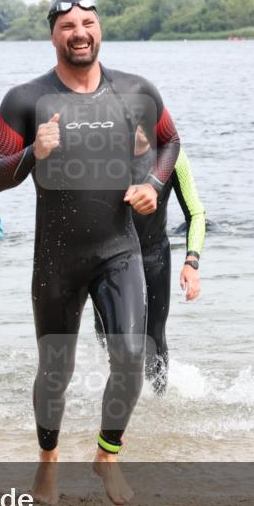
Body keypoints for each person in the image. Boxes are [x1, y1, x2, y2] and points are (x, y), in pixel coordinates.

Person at [0, 0, 180, 505]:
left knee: (132, 356)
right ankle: (48, 459)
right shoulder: (25, 99)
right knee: (56, 370)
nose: (79, 33)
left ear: (99, 29)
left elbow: (169, 142)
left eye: (87, 23)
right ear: (53, 35)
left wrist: (155, 187)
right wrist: (32, 152)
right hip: (57, 259)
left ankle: (106, 455)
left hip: (118, 249)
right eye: (68, 26)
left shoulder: (135, 91)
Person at [93, 142, 206, 395]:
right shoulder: (103, 150)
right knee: (107, 332)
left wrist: (192, 261)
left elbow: (196, 213)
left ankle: (158, 402)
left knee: (154, 335)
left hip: (153, 255)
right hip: (109, 258)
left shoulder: (172, 156)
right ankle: (117, 393)